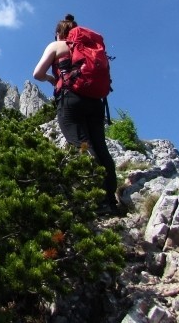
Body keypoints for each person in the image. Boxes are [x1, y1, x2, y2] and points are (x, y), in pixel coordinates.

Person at [33, 14, 119, 215]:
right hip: (95, 103)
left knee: (81, 143)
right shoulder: (91, 49)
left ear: (58, 34)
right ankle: (110, 201)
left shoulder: (57, 46)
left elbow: (37, 73)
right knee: (101, 147)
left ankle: (94, 196)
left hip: (71, 100)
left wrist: (51, 79)